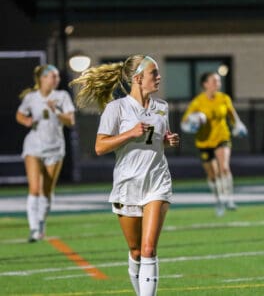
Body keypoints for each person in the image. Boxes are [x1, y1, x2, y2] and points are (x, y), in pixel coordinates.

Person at [71, 55, 179, 296]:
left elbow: (159, 137)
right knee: (137, 251)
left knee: (149, 248)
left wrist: (167, 140)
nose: (159, 77)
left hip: (157, 181)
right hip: (128, 185)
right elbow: (100, 147)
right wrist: (129, 133)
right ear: (138, 78)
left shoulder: (161, 107)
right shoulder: (116, 108)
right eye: (155, 73)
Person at [16, 64, 75, 242]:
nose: (56, 79)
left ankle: (41, 222)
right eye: (53, 76)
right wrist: (26, 120)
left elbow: (70, 121)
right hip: (33, 146)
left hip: (55, 147)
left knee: (46, 190)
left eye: (57, 76)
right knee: (34, 189)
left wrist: (55, 110)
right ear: (42, 78)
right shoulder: (31, 97)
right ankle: (34, 229)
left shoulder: (62, 96)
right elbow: (19, 114)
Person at [181, 72, 247, 216]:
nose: (218, 83)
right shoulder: (198, 102)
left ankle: (229, 198)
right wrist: (194, 122)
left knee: (224, 167)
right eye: (214, 81)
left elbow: (233, 116)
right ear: (205, 84)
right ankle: (218, 201)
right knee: (212, 175)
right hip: (204, 141)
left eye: (218, 81)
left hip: (222, 137)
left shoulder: (224, 98)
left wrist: (238, 126)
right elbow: (185, 122)